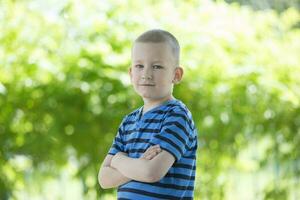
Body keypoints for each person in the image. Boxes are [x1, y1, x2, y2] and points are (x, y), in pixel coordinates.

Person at [98, 29, 198, 199]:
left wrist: (118, 161)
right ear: (131, 74)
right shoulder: (128, 122)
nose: (146, 74)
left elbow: (151, 172)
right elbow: (104, 179)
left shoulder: (177, 116)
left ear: (176, 75)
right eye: (139, 66)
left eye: (157, 66)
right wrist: (139, 165)